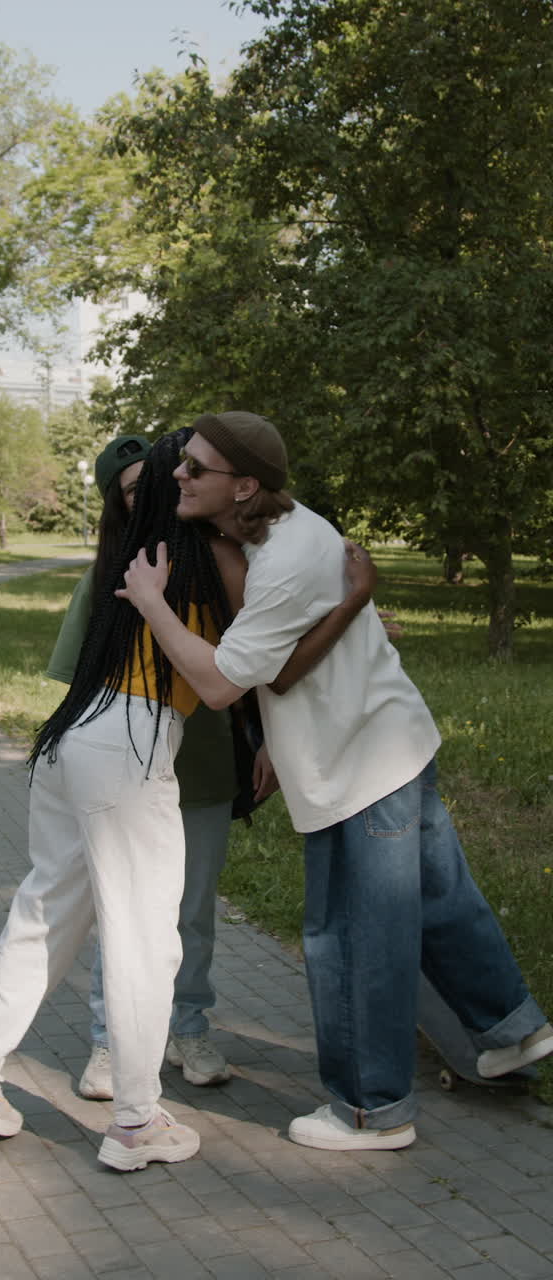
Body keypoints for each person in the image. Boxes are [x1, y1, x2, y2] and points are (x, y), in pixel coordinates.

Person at [116, 409, 553, 1153]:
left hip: (359, 766)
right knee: (442, 901)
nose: (179, 477)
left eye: (195, 468)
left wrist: (153, 602)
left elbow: (225, 683)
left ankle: (370, 1111)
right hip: (395, 743)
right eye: (181, 465)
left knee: (354, 940)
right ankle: (511, 1030)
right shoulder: (288, 530)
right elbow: (278, 659)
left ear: (244, 484)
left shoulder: (289, 561)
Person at [0, 428, 242, 1172]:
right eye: (187, 472)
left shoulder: (135, 553)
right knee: (143, 938)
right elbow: (236, 673)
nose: (195, 481)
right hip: (129, 747)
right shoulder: (205, 559)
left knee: (44, 917)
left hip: (79, 735)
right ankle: (135, 1122)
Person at [46, 433, 380, 1099]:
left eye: (164, 481)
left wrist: (264, 742)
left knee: (192, 911)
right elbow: (75, 685)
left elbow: (261, 661)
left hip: (201, 770)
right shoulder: (109, 576)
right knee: (125, 910)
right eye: (137, 489)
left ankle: (188, 1026)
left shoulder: (224, 564)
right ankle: (110, 1044)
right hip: (126, 772)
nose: (159, 496)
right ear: (121, 504)